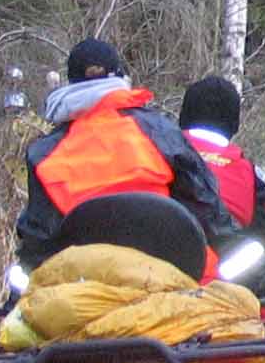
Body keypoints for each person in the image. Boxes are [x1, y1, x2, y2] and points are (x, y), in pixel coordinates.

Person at [13, 37, 237, 270]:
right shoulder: (160, 132)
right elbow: (208, 211)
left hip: (83, 282)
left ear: (70, 82)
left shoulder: (44, 153)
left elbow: (37, 241)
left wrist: (16, 300)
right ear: (120, 76)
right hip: (165, 276)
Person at [178, 74, 265, 277]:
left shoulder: (155, 151)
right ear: (234, 124)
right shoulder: (248, 174)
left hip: (149, 276)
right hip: (220, 290)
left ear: (183, 115)